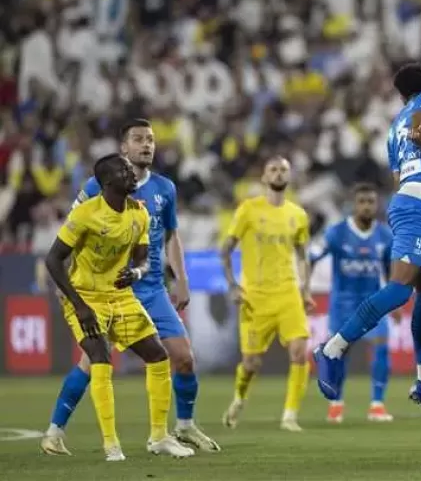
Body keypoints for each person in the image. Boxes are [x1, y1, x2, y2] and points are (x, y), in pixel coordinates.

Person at [40, 119, 219, 456]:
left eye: (151, 139)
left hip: (149, 286)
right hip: (102, 288)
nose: (147, 145)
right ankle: (56, 429)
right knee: (93, 363)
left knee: (182, 357)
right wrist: (70, 287)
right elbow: (71, 233)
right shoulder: (98, 186)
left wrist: (180, 278)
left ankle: (182, 426)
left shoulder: (164, 188)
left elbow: (170, 236)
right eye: (138, 139)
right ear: (124, 148)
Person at [314, 62, 421, 424]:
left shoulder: (391, 129)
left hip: (415, 203)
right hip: (417, 207)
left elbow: (400, 174)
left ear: (401, 94)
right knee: (401, 290)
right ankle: (332, 348)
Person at [221, 156, 314, 432]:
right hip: (255, 296)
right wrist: (233, 285)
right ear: (264, 177)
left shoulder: (298, 214)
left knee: (299, 351)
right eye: (273, 169)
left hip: (287, 293)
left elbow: (302, 255)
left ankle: (290, 415)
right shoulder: (248, 210)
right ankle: (239, 398)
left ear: (289, 176)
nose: (278, 173)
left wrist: (305, 290)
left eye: (283, 169)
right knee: (251, 363)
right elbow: (225, 250)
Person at [309, 182, 395, 423]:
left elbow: (390, 269)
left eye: (371, 202)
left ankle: (377, 405)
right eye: (362, 202)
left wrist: (393, 300)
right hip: (343, 304)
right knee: (340, 353)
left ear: (377, 205)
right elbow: (312, 255)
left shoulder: (385, 235)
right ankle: (336, 403)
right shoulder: (336, 233)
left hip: (373, 304)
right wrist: (305, 287)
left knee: (381, 346)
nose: (367, 206)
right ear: (353, 205)